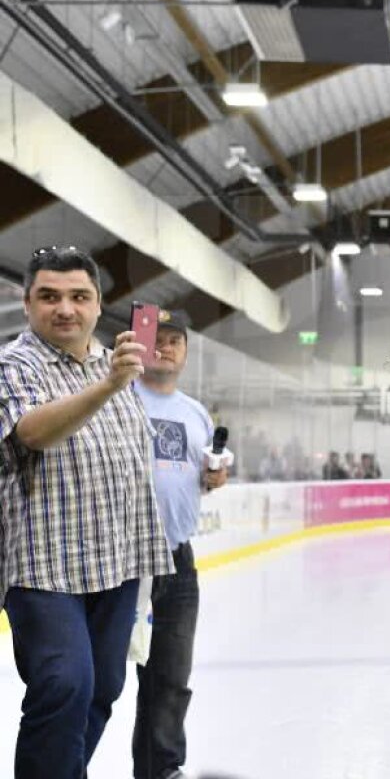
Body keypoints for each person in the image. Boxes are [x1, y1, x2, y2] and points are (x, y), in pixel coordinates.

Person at [0, 246, 174, 779]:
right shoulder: (14, 364)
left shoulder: (112, 363)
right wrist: (107, 387)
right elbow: (32, 432)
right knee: (64, 682)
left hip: (117, 560)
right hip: (44, 563)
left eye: (80, 296)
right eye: (49, 296)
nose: (65, 309)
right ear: (28, 303)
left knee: (103, 686)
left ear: (99, 305)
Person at [132, 309, 229, 779]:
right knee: (105, 679)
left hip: (177, 559)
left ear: (186, 352)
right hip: (123, 559)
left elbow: (201, 478)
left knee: (170, 677)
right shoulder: (119, 398)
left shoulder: (195, 414)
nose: (165, 347)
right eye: (157, 337)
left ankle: (162, 770)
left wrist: (214, 477)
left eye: (175, 341)